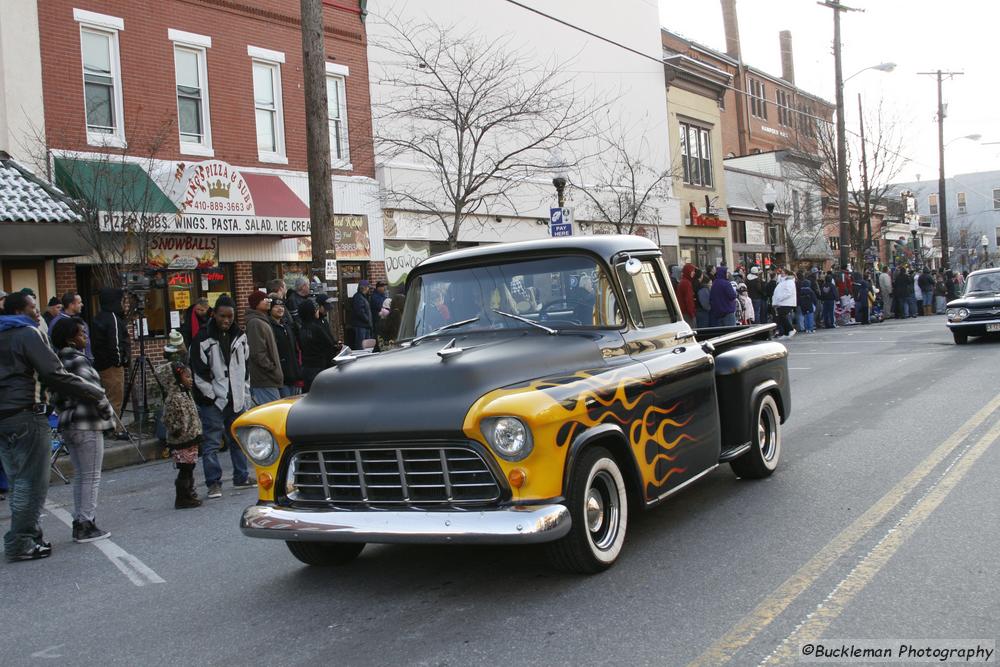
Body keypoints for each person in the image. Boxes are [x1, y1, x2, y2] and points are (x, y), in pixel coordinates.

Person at [0, 292, 107, 562]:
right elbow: (53, 373)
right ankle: (21, 541)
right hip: (27, 414)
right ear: (19, 311)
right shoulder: (27, 333)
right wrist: (92, 392)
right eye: (33, 308)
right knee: (32, 482)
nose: (39, 313)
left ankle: (30, 536)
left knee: (17, 480)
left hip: (5, 418)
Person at [51, 317, 114, 542]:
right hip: (86, 422)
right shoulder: (77, 360)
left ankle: (80, 520)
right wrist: (109, 415)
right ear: (70, 338)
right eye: (81, 334)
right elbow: (94, 391)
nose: (85, 338)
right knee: (91, 476)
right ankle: (86, 523)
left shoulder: (56, 361)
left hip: (68, 422)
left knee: (81, 475)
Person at [190, 296, 255, 499]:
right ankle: (213, 483)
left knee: (238, 439)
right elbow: (198, 373)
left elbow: (245, 369)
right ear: (214, 314)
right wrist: (212, 396)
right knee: (211, 442)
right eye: (222, 316)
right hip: (213, 401)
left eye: (230, 316)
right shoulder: (202, 338)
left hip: (236, 398)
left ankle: (241, 476)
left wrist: (244, 394)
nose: (226, 320)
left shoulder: (241, 336)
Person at [161, 360, 203, 509]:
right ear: (177, 379)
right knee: (185, 469)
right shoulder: (174, 398)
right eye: (187, 377)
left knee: (190, 466)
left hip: (190, 437)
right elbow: (169, 419)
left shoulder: (185, 394)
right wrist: (178, 430)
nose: (190, 380)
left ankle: (190, 492)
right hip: (182, 440)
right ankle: (183, 497)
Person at [90, 287, 130, 422]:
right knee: (115, 398)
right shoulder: (112, 318)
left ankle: (107, 425)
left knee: (107, 397)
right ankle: (114, 428)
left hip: (101, 364)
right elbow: (115, 343)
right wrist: (119, 361)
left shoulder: (99, 317)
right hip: (112, 366)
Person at [245, 291, 283, 406]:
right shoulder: (255, 322)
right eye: (264, 299)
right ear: (256, 303)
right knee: (273, 413)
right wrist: (271, 368)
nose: (268, 301)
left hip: (269, 379)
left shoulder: (262, 320)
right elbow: (257, 352)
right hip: (264, 379)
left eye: (268, 299)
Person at [299, 300, 338, 391]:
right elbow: (329, 345)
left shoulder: (302, 328)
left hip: (306, 367)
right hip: (319, 366)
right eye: (315, 309)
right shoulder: (316, 328)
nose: (317, 311)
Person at [268, 295, 301, 397]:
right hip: (280, 375)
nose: (280, 309)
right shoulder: (269, 327)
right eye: (276, 306)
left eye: (282, 306)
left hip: (292, 373)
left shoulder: (287, 326)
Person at [48, 292, 92, 360]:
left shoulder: (80, 322)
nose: (82, 305)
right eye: (79, 302)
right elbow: (53, 346)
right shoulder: (57, 323)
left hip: (85, 361)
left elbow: (87, 345)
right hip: (70, 363)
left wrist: (89, 358)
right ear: (71, 305)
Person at [348, 280, 374, 349]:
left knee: (367, 346)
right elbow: (360, 312)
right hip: (361, 326)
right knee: (361, 346)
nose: (369, 289)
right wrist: (367, 320)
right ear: (364, 288)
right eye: (368, 287)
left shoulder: (363, 297)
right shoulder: (358, 297)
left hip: (365, 325)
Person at [771, 270, 797, 337]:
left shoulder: (789, 282)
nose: (781, 274)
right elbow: (777, 292)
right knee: (780, 317)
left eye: (782, 273)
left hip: (787, 302)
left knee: (782, 315)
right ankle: (786, 332)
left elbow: (789, 292)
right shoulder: (782, 282)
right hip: (782, 302)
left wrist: (780, 298)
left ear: (786, 274)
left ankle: (790, 329)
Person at [676, 263, 697, 328]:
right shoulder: (687, 283)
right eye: (692, 271)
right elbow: (688, 300)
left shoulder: (683, 281)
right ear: (688, 271)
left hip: (683, 312)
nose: (693, 273)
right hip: (687, 313)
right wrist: (692, 313)